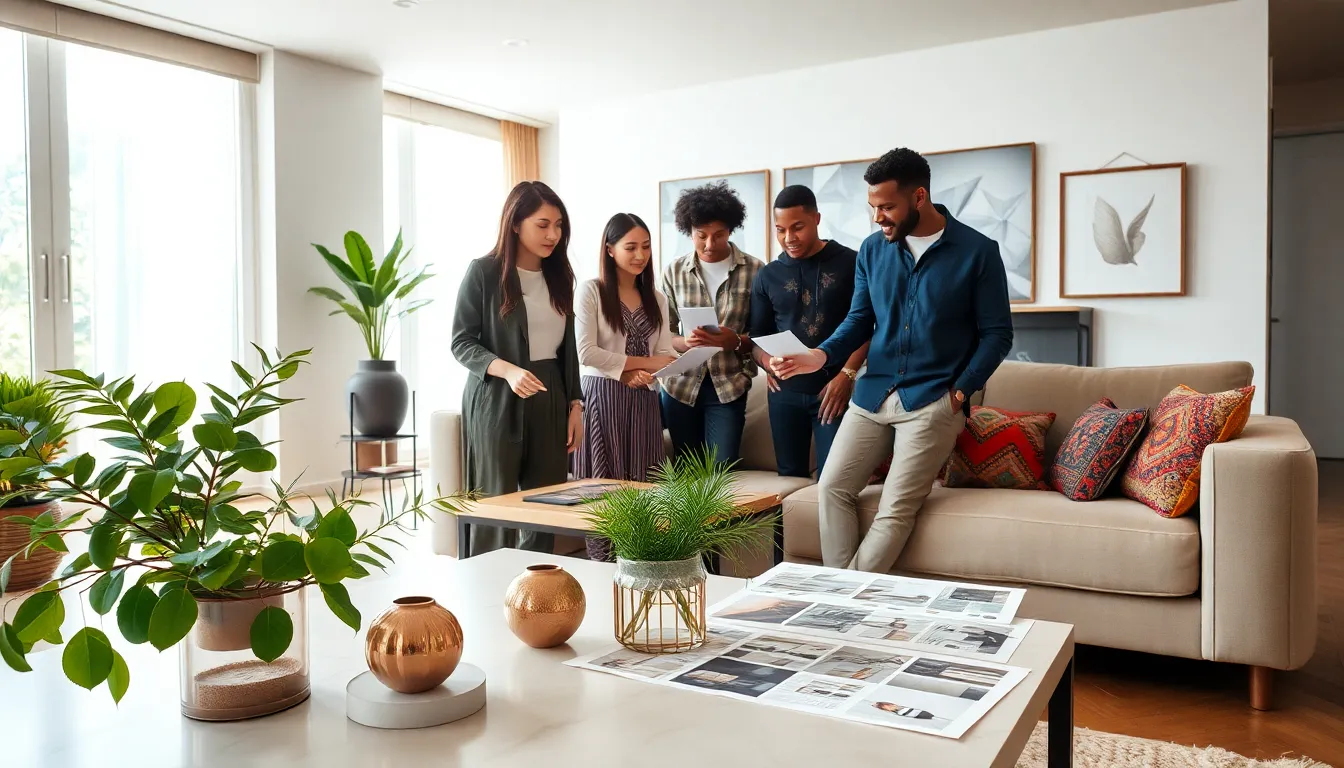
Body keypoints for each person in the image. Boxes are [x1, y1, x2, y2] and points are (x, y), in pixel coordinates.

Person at [770, 148, 1013, 573]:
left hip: (934, 399)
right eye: (872, 207)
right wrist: (820, 355)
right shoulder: (872, 250)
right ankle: (845, 596)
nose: (877, 217)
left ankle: (840, 598)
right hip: (872, 393)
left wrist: (959, 393)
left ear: (919, 197)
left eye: (886, 207)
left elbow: (998, 335)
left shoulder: (978, 252)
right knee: (831, 488)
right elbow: (859, 319)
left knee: (895, 509)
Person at [451, 180, 585, 556]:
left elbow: (568, 349)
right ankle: (486, 580)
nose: (553, 234)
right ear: (515, 223)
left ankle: (535, 586)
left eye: (558, 225)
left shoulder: (560, 277)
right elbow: (461, 341)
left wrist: (575, 404)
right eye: (542, 225)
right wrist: (507, 370)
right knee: (495, 503)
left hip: (550, 394)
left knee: (546, 504)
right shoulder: (484, 272)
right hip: (496, 398)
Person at [572, 213, 677, 559]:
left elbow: (664, 354)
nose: (640, 255)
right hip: (602, 399)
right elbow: (586, 352)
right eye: (630, 247)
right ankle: (602, 568)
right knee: (604, 492)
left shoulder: (657, 298)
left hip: (644, 401)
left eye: (646, 246)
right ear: (610, 249)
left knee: (647, 491)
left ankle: (642, 568)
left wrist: (647, 371)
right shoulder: (591, 291)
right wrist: (637, 365)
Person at [749, 185, 869, 478]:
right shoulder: (767, 275)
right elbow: (756, 338)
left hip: (833, 390)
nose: (789, 238)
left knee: (834, 480)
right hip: (784, 395)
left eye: (797, 227)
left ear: (816, 219)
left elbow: (867, 325)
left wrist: (847, 375)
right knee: (788, 479)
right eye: (780, 230)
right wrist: (767, 363)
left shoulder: (852, 262)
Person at [659, 181, 763, 464]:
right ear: (689, 231)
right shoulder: (673, 272)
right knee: (686, 472)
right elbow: (662, 334)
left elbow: (764, 333)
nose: (709, 244)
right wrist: (685, 342)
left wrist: (736, 341)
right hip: (680, 387)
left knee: (721, 470)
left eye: (718, 235)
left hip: (728, 386)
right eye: (700, 235)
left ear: (731, 230)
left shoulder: (756, 271)